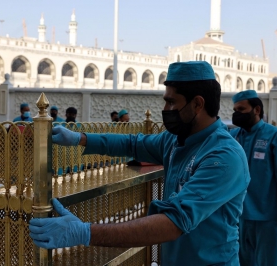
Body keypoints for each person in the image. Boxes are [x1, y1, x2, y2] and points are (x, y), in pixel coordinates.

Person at [29, 61, 250, 265]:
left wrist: (85, 233)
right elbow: (132, 144)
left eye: (171, 102)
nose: (166, 109)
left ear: (198, 104)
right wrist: (81, 138)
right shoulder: (175, 139)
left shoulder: (223, 156)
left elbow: (173, 223)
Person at [230, 90, 277, 266]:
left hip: (268, 220)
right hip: (240, 218)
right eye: (235, 109)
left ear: (257, 110)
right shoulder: (234, 137)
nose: (237, 113)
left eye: (241, 109)